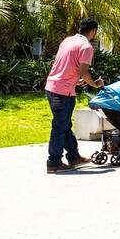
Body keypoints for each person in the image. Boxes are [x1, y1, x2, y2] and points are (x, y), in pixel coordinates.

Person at [44, 18, 103, 173]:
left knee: (64, 125)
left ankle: (74, 157)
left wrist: (75, 81)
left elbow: (64, 65)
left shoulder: (67, 40)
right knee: (59, 127)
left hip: (52, 87)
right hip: (63, 92)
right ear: (93, 31)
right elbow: (84, 71)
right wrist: (95, 84)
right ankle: (54, 161)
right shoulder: (86, 47)